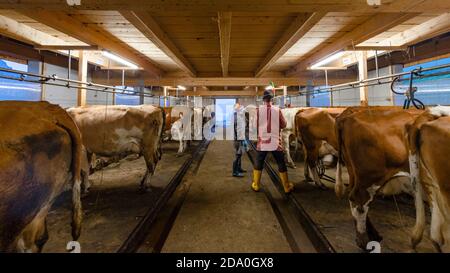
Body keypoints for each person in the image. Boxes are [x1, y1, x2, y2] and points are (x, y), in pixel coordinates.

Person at [251, 89, 294, 193]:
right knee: (281, 163)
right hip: (275, 142)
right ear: (272, 99)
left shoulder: (258, 110)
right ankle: (286, 186)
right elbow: (284, 125)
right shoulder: (277, 110)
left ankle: (256, 185)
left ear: (263, 100)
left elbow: (254, 125)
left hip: (263, 143)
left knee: (259, 162)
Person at [232, 101, 246, 177]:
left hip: (239, 138)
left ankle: (239, 168)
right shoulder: (236, 117)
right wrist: (241, 139)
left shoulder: (239, 116)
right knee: (238, 155)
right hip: (238, 139)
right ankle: (235, 171)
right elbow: (237, 129)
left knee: (240, 154)